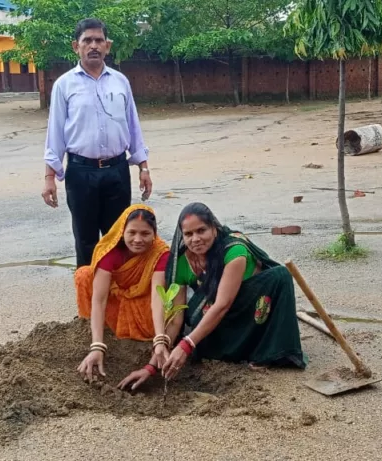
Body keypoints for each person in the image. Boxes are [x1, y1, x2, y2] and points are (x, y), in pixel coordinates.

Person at [120, 202, 307, 385]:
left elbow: (223, 304)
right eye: (189, 234)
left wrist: (186, 345)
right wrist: (151, 366)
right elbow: (177, 320)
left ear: (214, 229)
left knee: (280, 276)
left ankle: (265, 352)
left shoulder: (234, 251)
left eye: (201, 231)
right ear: (182, 236)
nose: (195, 239)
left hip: (250, 310)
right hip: (220, 317)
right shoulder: (182, 262)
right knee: (197, 311)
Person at [42, 18, 153, 268]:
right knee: (86, 240)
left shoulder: (120, 81)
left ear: (107, 46)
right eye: (87, 40)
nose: (93, 45)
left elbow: (133, 126)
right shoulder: (64, 85)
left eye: (98, 40)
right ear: (76, 46)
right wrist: (50, 177)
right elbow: (55, 132)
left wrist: (143, 168)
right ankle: (88, 302)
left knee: (119, 238)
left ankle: (117, 300)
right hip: (81, 172)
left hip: (116, 171)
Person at [74, 204, 180, 384]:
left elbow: (157, 296)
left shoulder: (160, 253)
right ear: (122, 231)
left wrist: (160, 339)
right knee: (84, 275)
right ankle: (98, 329)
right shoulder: (111, 251)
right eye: (132, 233)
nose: (138, 239)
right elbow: (99, 301)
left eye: (145, 234)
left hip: (143, 305)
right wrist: (97, 346)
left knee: (167, 298)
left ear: (154, 233)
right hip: (117, 302)